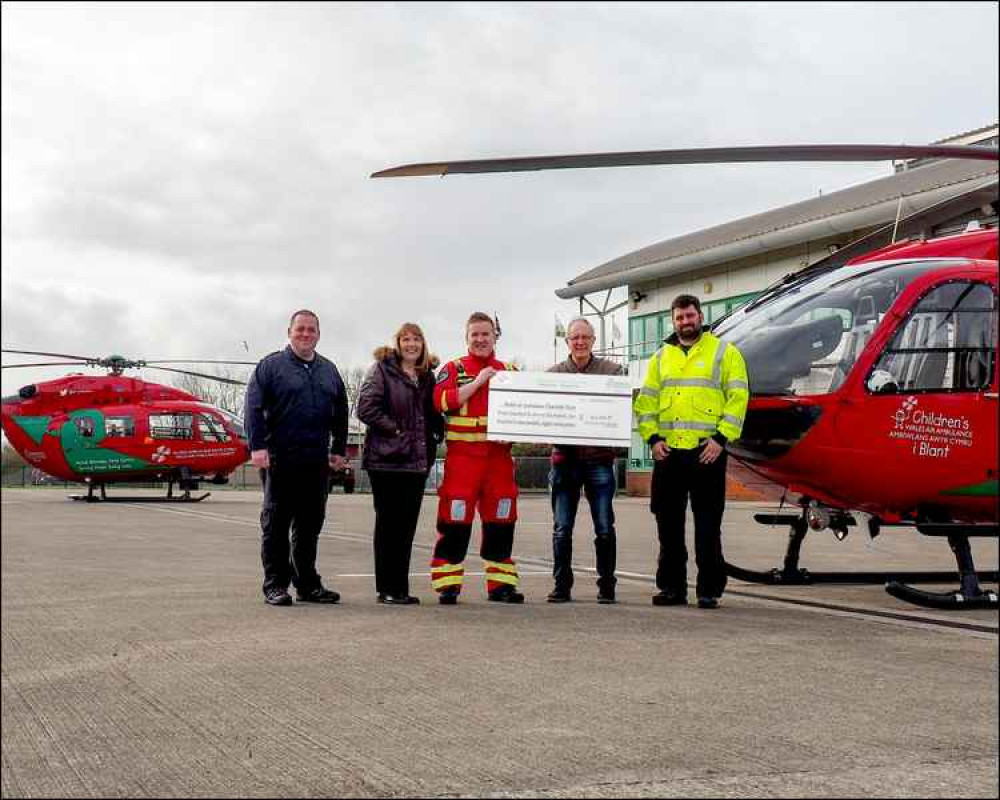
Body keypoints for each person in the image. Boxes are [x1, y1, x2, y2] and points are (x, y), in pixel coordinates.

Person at [633, 294, 749, 610]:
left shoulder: (725, 353)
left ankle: (708, 590)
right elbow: (646, 403)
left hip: (706, 453)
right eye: (680, 317)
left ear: (700, 316)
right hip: (669, 455)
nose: (685, 321)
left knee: (708, 526)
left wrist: (720, 439)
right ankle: (672, 588)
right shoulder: (660, 357)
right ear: (673, 321)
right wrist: (652, 439)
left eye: (690, 315)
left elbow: (738, 398)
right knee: (668, 527)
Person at [244, 309, 349, 606]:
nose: (305, 334)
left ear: (319, 334)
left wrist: (338, 449)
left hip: (315, 460)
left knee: (309, 524)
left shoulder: (329, 370)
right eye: (300, 329)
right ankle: (275, 585)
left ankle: (307, 584)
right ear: (289, 332)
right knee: (276, 524)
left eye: (311, 329)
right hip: (280, 458)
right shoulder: (270, 367)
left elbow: (341, 411)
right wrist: (257, 446)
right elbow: (253, 408)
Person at [430, 312, 523, 604]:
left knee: (501, 520)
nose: (481, 339)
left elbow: (524, 413)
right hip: (463, 462)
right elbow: (441, 401)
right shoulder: (453, 368)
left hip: (499, 461)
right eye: (475, 335)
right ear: (467, 338)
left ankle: (501, 586)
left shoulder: (510, 370)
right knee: (455, 520)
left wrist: (514, 434)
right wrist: (479, 382)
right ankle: (448, 585)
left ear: (495, 336)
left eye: (486, 334)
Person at [356, 323, 443, 605]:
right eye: (406, 339)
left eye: (416, 339)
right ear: (398, 343)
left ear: (423, 344)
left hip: (416, 462)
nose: (411, 344)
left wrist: (437, 430)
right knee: (388, 526)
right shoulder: (381, 370)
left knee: (406, 527)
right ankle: (387, 588)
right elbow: (366, 408)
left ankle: (400, 587)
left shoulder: (427, 375)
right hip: (386, 460)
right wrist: (396, 429)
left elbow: (432, 411)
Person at [546, 317, 625, 604]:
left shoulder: (612, 372)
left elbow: (622, 409)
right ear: (567, 341)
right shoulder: (552, 375)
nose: (580, 342)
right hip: (564, 461)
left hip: (599, 460)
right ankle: (561, 585)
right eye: (574, 337)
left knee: (604, 526)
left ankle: (607, 586)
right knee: (561, 528)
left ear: (593, 340)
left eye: (585, 337)